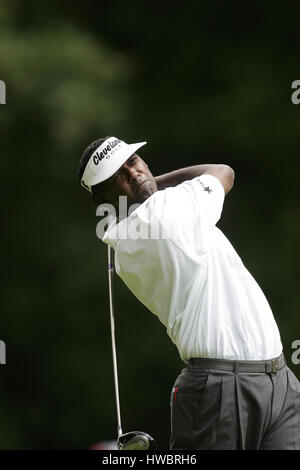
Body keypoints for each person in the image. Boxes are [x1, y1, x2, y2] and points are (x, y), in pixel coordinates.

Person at [78, 135, 300, 450]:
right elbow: (223, 171)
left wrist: (143, 186)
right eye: (119, 176)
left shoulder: (126, 239)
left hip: (277, 375)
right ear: (102, 196)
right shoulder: (160, 215)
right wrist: (155, 182)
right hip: (222, 387)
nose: (134, 173)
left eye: (134, 162)